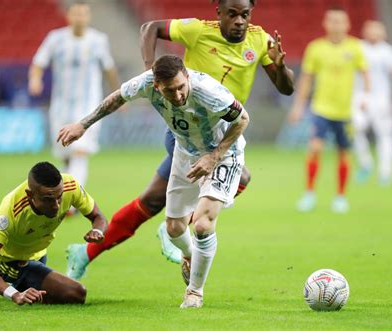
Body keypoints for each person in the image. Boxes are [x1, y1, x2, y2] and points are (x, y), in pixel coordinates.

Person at [65, 0, 294, 280]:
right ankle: (182, 222)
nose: (238, 21)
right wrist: (151, 73)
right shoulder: (197, 30)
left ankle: (86, 254)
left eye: (244, 15)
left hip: (223, 131)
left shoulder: (261, 40)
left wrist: (281, 68)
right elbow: (150, 28)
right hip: (185, 127)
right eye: (232, 14)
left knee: (150, 201)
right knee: (240, 177)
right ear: (218, 13)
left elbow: (286, 88)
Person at [58, 55, 249, 308]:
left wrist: (214, 157)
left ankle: (194, 293)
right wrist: (83, 125)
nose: (179, 95)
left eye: (182, 87)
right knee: (174, 229)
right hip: (185, 152)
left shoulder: (209, 92)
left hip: (223, 155)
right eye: (170, 90)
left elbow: (242, 119)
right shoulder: (145, 83)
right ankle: (190, 255)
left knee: (202, 225)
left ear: (187, 77)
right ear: (157, 86)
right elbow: (116, 98)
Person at [0, 162, 108, 305]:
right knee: (76, 294)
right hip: (11, 263)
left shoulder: (70, 185)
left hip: (38, 255)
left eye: (59, 197)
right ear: (30, 194)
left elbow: (98, 216)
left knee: (48, 291)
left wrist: (97, 230)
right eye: (48, 199)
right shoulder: (10, 211)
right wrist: (14, 294)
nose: (56, 206)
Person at [29, 1, 120, 191]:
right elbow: (38, 62)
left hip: (89, 104)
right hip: (61, 104)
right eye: (76, 14)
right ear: (69, 16)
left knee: (80, 150)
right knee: (65, 153)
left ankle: (72, 198)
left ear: (89, 17)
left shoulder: (98, 40)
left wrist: (118, 95)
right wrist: (35, 80)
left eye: (83, 14)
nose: (79, 18)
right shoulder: (55, 38)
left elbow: (109, 69)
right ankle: (64, 191)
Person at [289, 6, 369, 213]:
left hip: (345, 111)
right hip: (321, 108)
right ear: (325, 23)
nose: (336, 25)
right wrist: (298, 107)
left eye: (340, 21)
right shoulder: (315, 48)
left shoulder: (356, 47)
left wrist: (365, 98)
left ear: (347, 24)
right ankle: (309, 193)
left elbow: (365, 74)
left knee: (344, 153)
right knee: (315, 148)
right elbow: (306, 79)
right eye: (332, 21)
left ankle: (340, 197)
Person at [352, 20, 392, 186]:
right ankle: (365, 163)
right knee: (353, 129)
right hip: (360, 95)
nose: (374, 33)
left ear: (384, 33)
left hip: (382, 98)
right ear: (364, 31)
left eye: (377, 30)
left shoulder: (389, 52)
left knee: (386, 134)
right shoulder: (357, 48)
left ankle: (385, 172)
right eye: (370, 29)